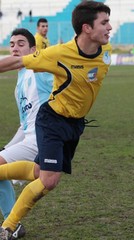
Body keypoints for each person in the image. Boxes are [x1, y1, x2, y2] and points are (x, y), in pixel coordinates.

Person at [0, 1, 112, 239]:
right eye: (104, 22)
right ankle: (8, 227)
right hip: (52, 120)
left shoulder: (107, 52)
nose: (110, 27)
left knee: (40, 171)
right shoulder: (58, 54)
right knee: (49, 180)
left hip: (75, 125)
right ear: (86, 28)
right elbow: (18, 62)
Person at [0, 28, 53, 239]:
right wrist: (7, 147)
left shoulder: (38, 72)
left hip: (42, 141)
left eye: (21, 44)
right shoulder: (19, 83)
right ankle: (12, 223)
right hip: (29, 138)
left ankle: (11, 224)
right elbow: (24, 125)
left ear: (33, 49)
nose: (15, 47)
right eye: (12, 44)